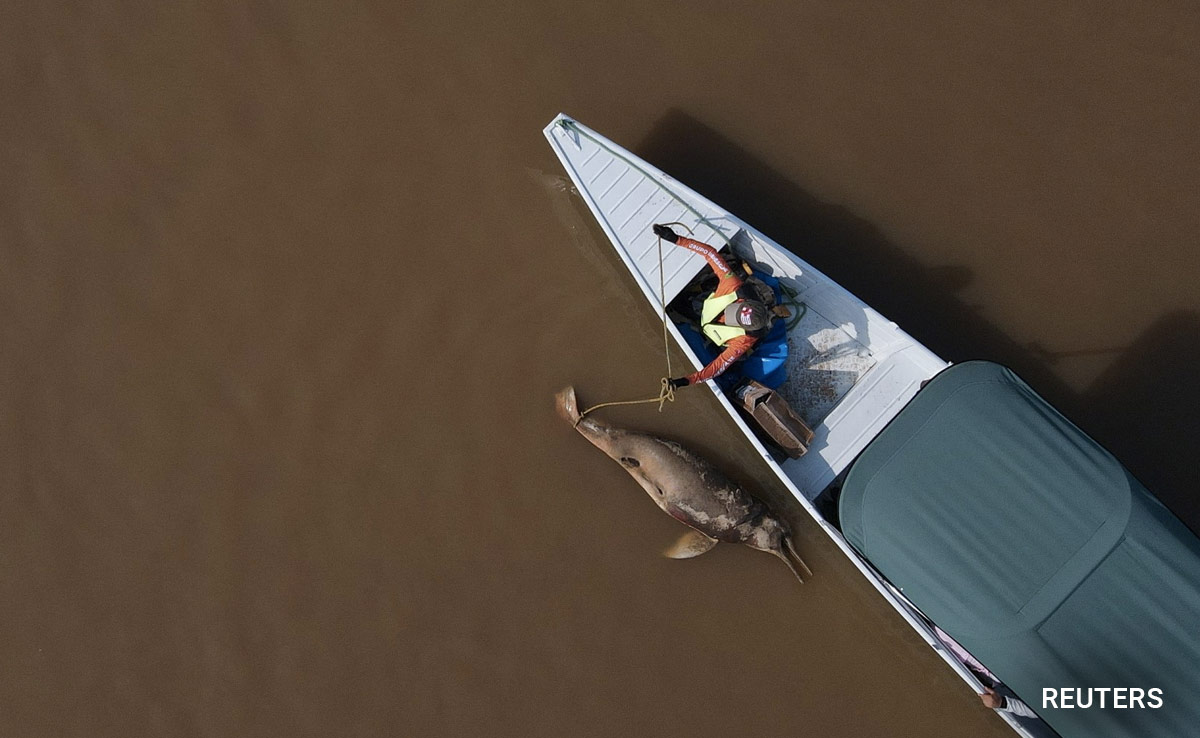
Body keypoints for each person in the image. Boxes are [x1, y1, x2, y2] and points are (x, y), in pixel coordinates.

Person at [653, 224, 787, 389]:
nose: (728, 315)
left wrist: (686, 380)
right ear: (743, 302)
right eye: (734, 311)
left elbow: (718, 366)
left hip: (712, 333)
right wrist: (676, 239)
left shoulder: (744, 340)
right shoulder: (732, 284)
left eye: (734, 320)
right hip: (705, 311)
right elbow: (710, 253)